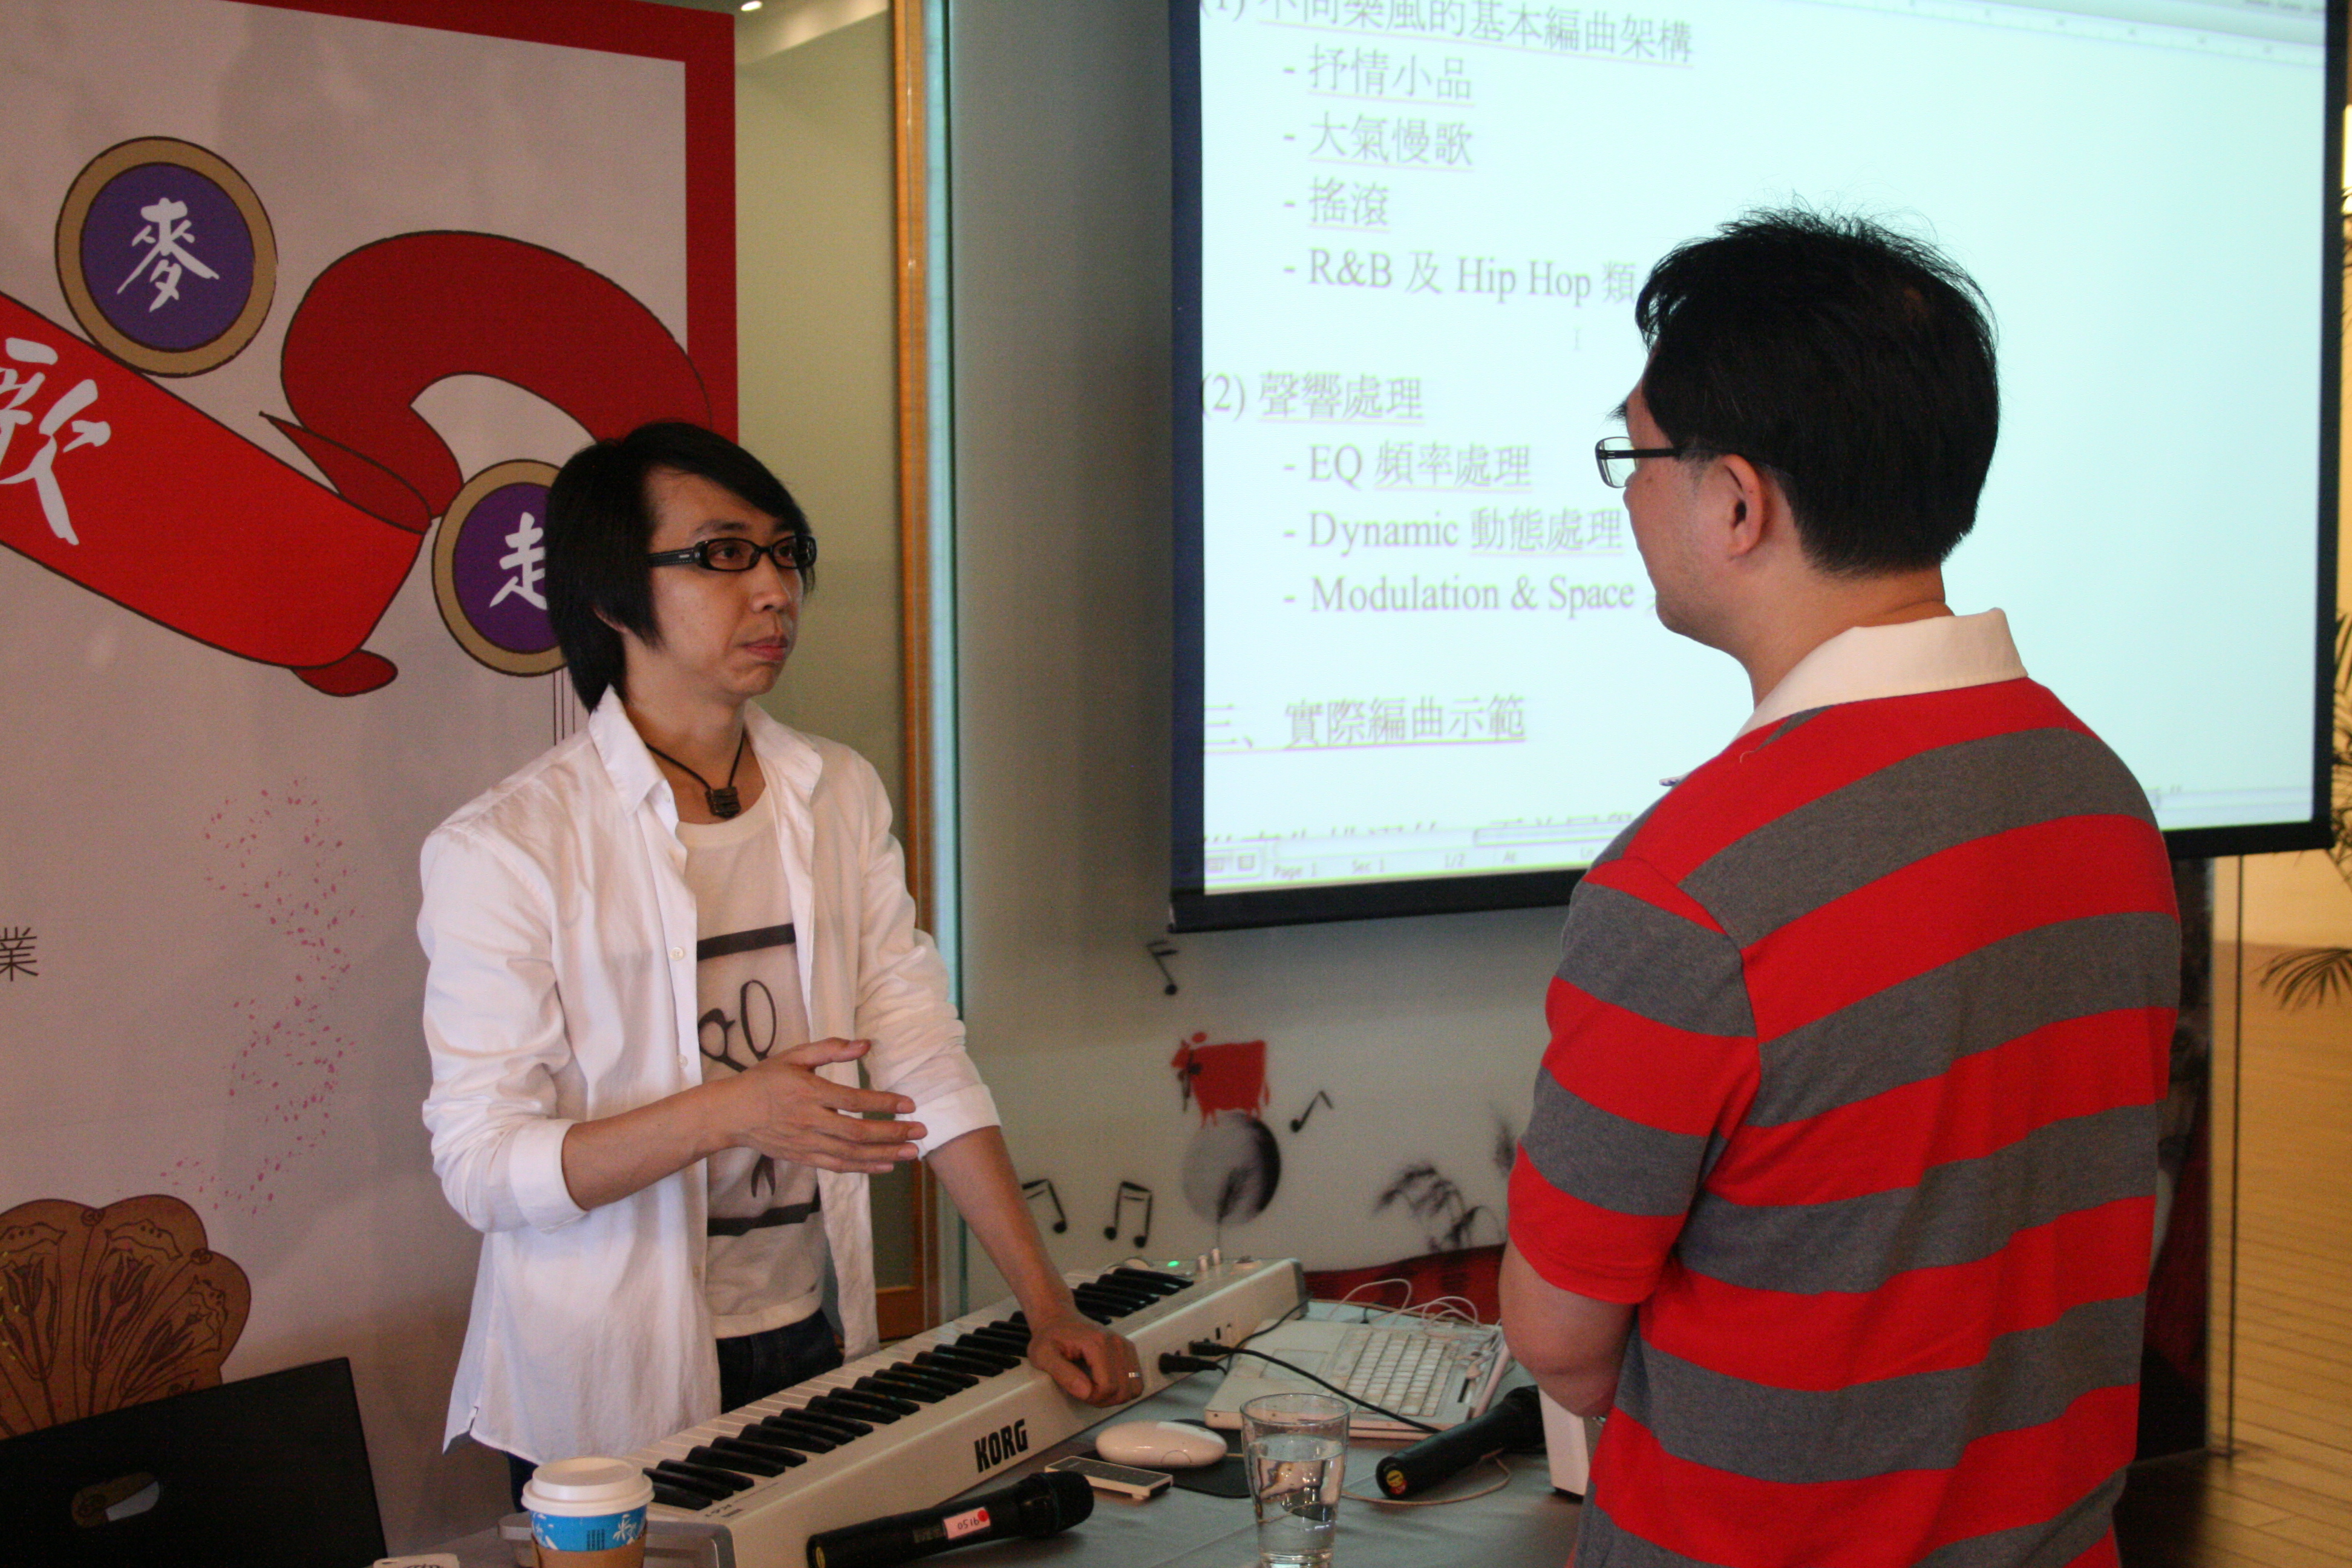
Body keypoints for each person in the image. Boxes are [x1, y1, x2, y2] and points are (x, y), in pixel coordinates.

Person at [1499, 211, 2179, 1568]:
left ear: (1737, 504)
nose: (1628, 497)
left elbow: (1561, 1339)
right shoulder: (2100, 794)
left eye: (1636, 457)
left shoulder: (1689, 885)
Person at [419, 422, 1142, 1490]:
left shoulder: (836, 792)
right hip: (606, 1379)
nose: (773, 590)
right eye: (723, 554)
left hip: (812, 1327)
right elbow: (482, 1166)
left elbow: (919, 1051)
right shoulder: (507, 847)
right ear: (613, 595)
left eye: (785, 552)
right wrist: (729, 1112)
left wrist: (1047, 1304)